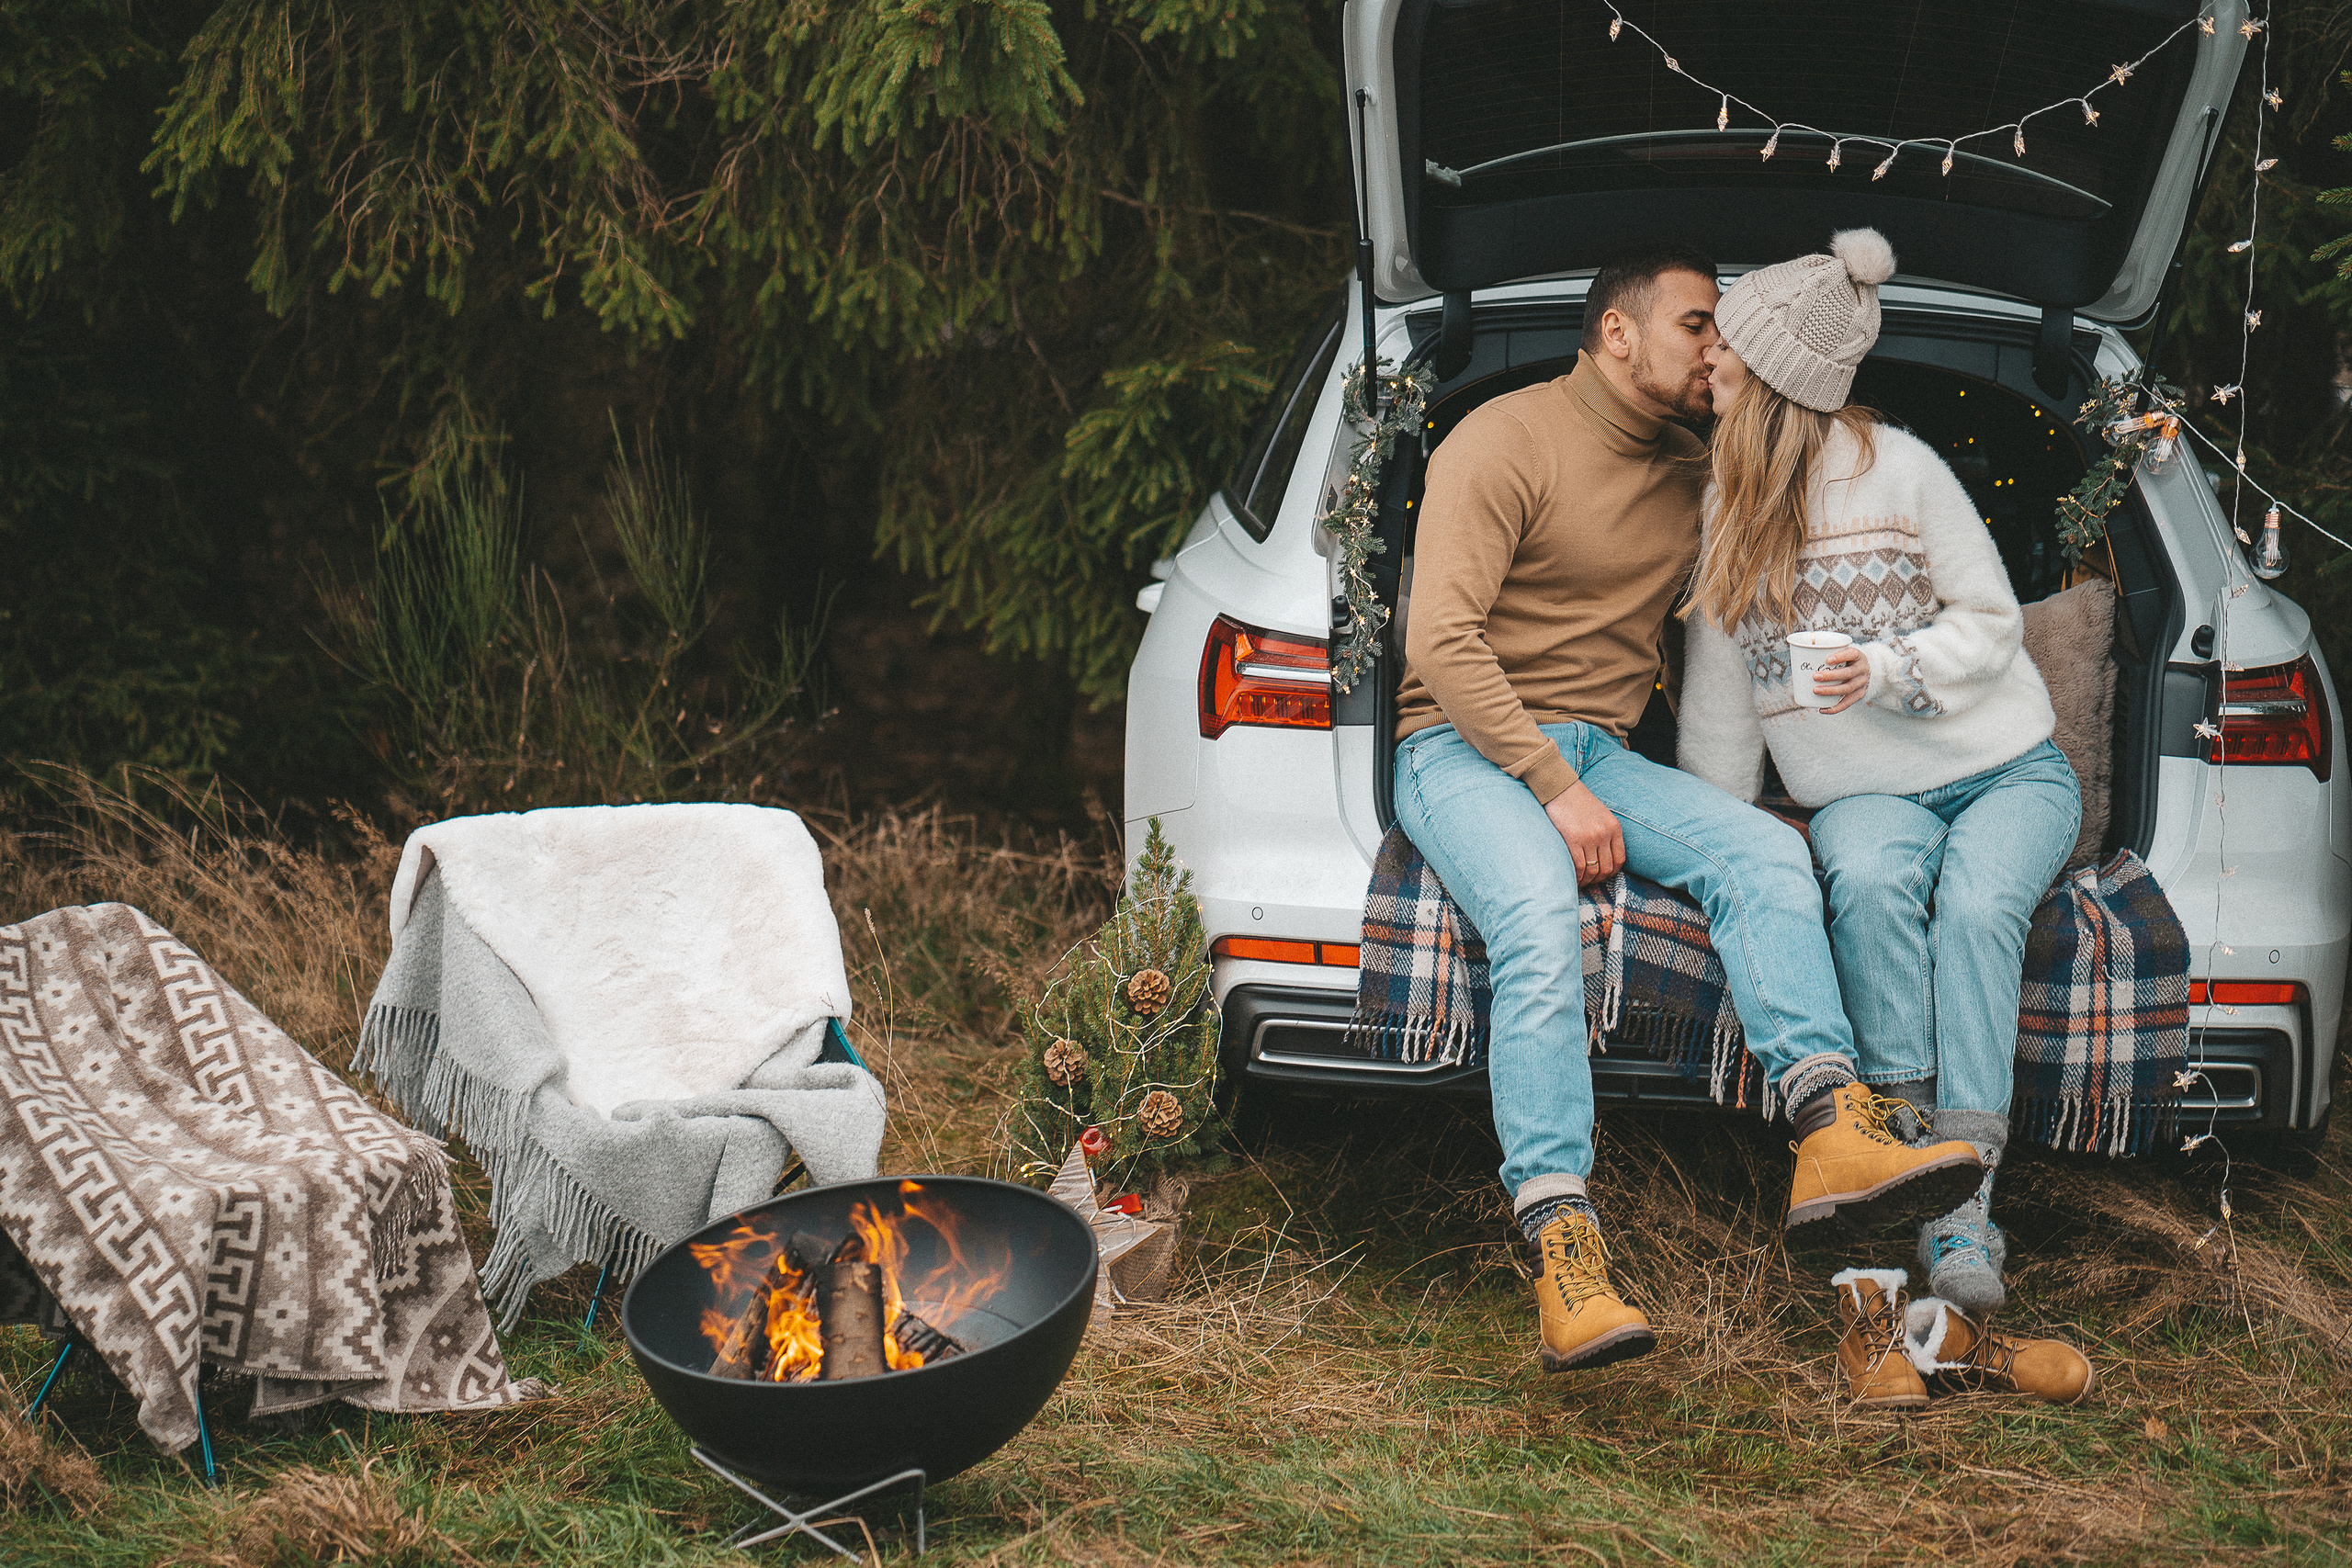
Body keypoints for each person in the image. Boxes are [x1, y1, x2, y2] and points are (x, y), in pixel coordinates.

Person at [1393, 244, 1984, 1375]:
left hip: (1602, 752)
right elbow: (1440, 645)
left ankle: (1828, 1127)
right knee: (1533, 914)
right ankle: (1565, 1251)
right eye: (1697, 325)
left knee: (1766, 858)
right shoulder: (1502, 440)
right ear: (1616, 332)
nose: (1717, 348)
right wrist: (1551, 788)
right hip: (1463, 745)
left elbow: (1763, 616)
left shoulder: (1694, 473)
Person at [1677, 229, 2093, 1405]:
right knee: (1860, 885)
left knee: (1972, 910)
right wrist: (1717, 838)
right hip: (1861, 798)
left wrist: (1886, 664)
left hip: (2005, 768)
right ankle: (1900, 1162)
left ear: (1773, 380)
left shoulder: (1900, 468)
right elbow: (1719, 703)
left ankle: (1963, 1223)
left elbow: (1991, 620)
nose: (1708, 368)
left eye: (1727, 355)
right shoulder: (1729, 507)